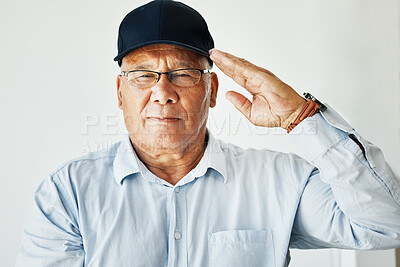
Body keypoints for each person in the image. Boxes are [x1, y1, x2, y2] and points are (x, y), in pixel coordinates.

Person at [16, 0, 400, 266]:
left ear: (212, 90)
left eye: (182, 74)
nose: (163, 93)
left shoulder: (281, 181)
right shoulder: (67, 194)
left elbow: (385, 226)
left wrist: (301, 116)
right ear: (120, 92)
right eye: (143, 75)